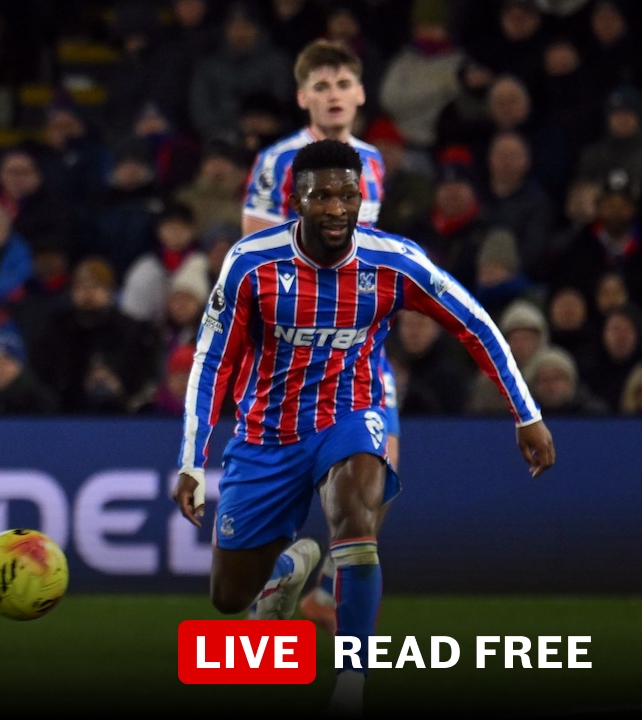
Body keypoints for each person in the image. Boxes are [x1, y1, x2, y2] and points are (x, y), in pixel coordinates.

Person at [173, 140, 554, 716]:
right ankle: (284, 570)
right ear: (294, 200)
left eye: (347, 194)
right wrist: (191, 459)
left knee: (357, 515)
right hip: (265, 434)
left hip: (351, 415)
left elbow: (474, 323)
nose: (335, 207)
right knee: (230, 599)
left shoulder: (393, 260)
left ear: (362, 197)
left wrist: (526, 413)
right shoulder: (252, 264)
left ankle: (352, 684)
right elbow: (212, 362)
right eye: (320, 194)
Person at [239, 39, 399, 635]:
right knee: (290, 486)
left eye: (343, 84)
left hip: (363, 349)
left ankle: (329, 595)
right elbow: (251, 248)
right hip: (295, 349)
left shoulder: (374, 161)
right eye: (321, 86)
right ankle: (283, 568)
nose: (333, 96)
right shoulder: (279, 161)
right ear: (303, 96)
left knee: (378, 478)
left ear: (360, 93)